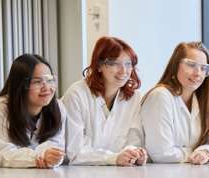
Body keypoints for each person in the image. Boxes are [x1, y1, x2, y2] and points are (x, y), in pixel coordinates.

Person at [61, 36, 147, 166]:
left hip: (119, 173)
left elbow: (133, 141)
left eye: (128, 63)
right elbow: (76, 153)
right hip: (78, 175)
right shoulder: (76, 95)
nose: (124, 70)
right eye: (114, 63)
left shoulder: (135, 98)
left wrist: (135, 154)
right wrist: (113, 158)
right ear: (99, 66)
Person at [129, 41, 209, 164]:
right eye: (191, 65)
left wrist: (206, 152)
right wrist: (197, 151)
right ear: (176, 65)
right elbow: (161, 154)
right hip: (160, 177)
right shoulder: (160, 96)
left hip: (193, 174)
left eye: (204, 68)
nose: (198, 73)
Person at [0, 54, 65, 168]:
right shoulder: (0, 108)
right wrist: (39, 156)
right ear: (21, 85)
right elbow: (3, 153)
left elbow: (56, 147)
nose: (46, 87)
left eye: (50, 80)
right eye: (37, 82)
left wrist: (52, 157)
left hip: (27, 175)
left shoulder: (58, 107)